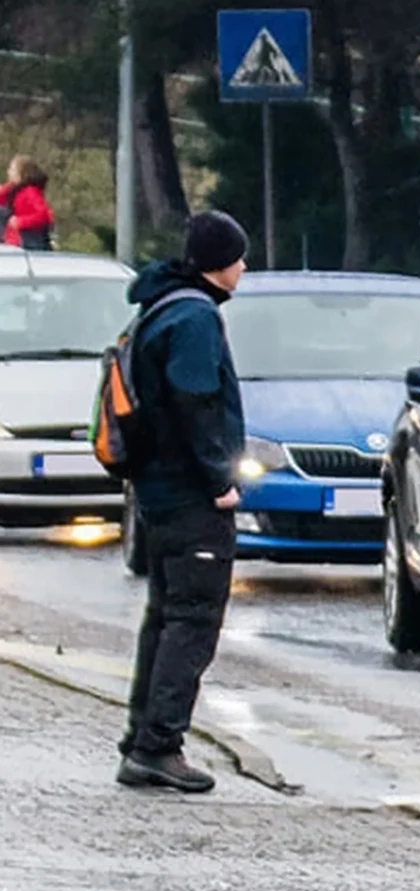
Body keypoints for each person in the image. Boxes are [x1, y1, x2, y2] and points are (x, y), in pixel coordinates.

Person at [116, 211, 249, 793]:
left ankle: (141, 737)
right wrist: (220, 479)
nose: (244, 268)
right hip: (188, 494)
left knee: (165, 617)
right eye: (240, 257)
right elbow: (195, 403)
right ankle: (158, 745)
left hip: (156, 491)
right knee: (192, 621)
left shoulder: (162, 306)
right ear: (220, 263)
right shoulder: (194, 318)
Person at [0, 155, 54, 250]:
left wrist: (21, 221)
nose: (8, 172)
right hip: (17, 237)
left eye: (12, 169)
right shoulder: (13, 190)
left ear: (21, 174)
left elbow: (44, 216)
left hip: (30, 238)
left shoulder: (31, 192)